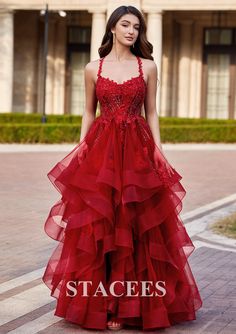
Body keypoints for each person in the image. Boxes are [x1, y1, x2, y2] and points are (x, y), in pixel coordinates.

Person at [42, 5, 203, 331]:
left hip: (137, 151)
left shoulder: (148, 67)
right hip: (102, 151)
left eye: (137, 27)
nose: (132, 31)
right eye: (126, 25)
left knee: (135, 222)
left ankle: (134, 307)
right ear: (113, 27)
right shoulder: (92, 68)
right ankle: (105, 306)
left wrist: (159, 151)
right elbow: (89, 112)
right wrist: (81, 150)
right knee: (101, 225)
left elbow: (152, 112)